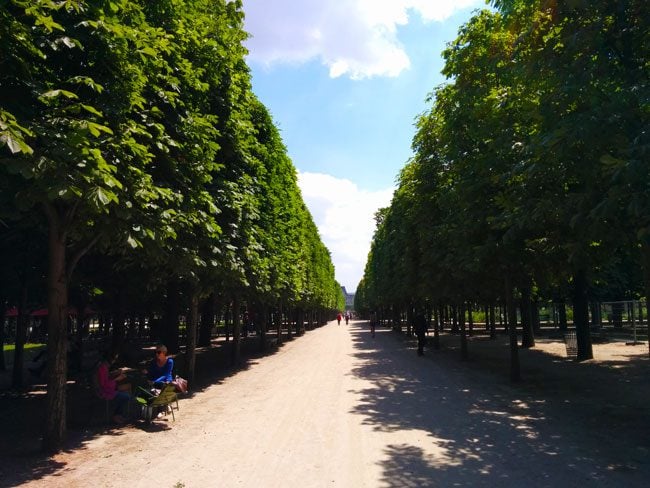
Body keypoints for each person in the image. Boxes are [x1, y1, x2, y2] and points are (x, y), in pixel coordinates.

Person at [96, 351, 131, 424]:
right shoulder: (102, 368)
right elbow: (103, 384)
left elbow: (107, 377)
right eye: (114, 359)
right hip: (105, 391)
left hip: (108, 388)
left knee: (125, 391)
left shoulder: (103, 367)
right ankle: (116, 415)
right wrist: (117, 379)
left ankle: (119, 414)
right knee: (126, 396)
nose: (114, 361)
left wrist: (116, 372)